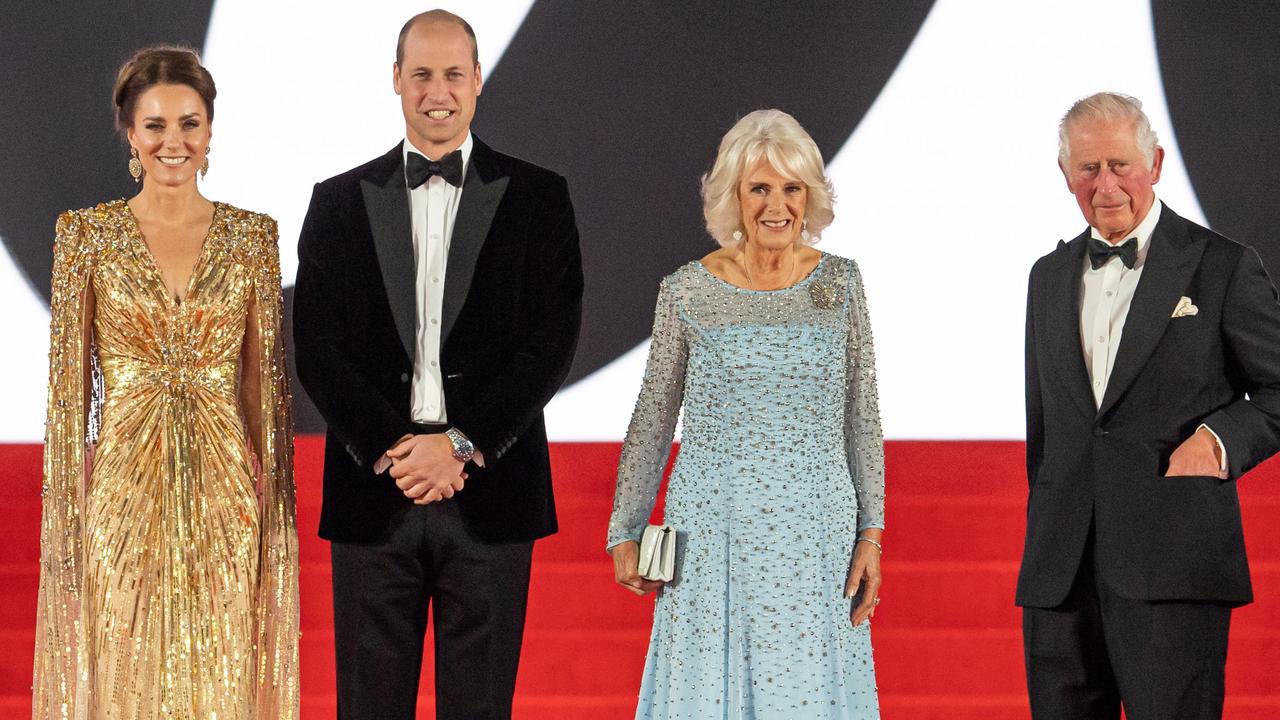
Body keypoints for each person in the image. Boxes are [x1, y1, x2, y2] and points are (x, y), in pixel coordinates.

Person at [292, 10, 583, 720]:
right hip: (374, 494)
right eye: (421, 73)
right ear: (396, 80)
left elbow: (551, 341)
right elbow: (317, 348)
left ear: (478, 80)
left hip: (489, 491)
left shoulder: (539, 197)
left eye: (453, 73)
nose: (437, 90)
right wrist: (398, 449)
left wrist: (459, 445)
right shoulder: (335, 203)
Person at [32, 46, 299, 719]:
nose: (173, 142)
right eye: (156, 125)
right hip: (121, 493)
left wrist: (272, 515)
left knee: (222, 672)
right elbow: (67, 404)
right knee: (125, 673)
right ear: (129, 131)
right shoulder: (85, 237)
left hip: (226, 495)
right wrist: (71, 514)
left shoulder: (252, 239)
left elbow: (262, 387)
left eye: (189, 123)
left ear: (210, 132)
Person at [607, 109, 884, 719]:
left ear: (810, 195)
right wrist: (624, 529)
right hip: (712, 532)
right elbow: (654, 418)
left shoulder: (841, 283)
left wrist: (872, 534)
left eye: (790, 188)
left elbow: (861, 416)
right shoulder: (686, 290)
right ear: (733, 195)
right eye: (759, 187)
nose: (776, 205)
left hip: (818, 535)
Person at [1019, 91, 1280, 719]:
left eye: (1119, 165)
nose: (1104, 185)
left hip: (1174, 567)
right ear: (1065, 176)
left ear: (1156, 164)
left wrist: (1216, 442)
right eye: (1087, 169)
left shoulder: (1222, 267)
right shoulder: (1045, 277)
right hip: (1061, 575)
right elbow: (1045, 427)